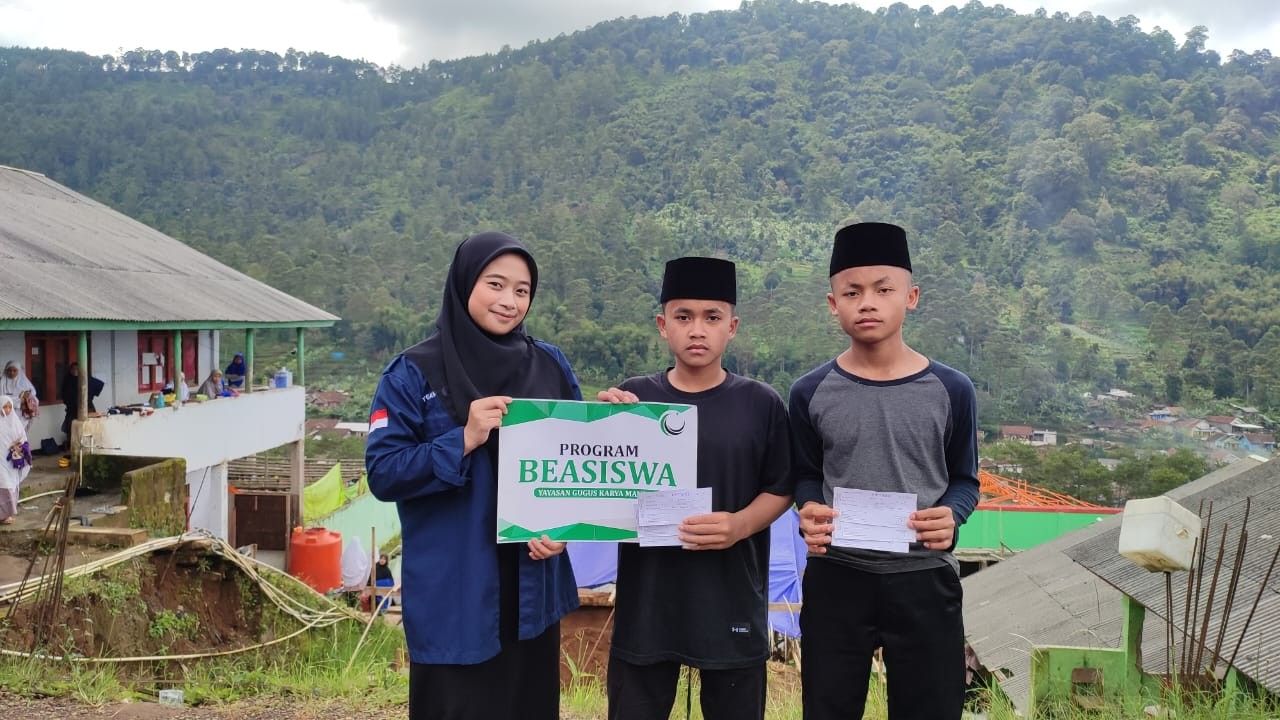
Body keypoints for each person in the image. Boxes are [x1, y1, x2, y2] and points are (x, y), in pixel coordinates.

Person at [365, 231, 580, 720]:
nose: (509, 301)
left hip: (531, 595)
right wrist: (462, 438)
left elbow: (573, 462)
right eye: (495, 285)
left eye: (522, 290)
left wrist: (563, 531)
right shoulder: (413, 373)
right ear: (464, 284)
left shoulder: (549, 365)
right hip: (456, 596)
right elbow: (383, 472)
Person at [789, 222, 979, 720]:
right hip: (837, 576)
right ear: (833, 304)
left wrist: (951, 515)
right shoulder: (809, 392)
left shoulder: (952, 389)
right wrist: (808, 507)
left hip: (924, 576)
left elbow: (965, 480)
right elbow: (805, 474)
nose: (867, 303)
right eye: (852, 292)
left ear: (911, 297)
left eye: (883, 289)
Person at [597, 257, 793, 720]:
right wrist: (599, 422)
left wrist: (739, 525)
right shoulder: (634, 398)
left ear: (732, 327)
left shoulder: (761, 403)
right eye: (683, 317)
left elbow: (782, 486)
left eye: (712, 317)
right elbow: (600, 480)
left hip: (731, 595)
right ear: (663, 325)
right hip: (648, 603)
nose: (697, 330)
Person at [0, 396, 31, 525]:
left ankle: (6, 514)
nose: (7, 409)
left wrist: (18, 447)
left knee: (11, 485)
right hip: (1, 460)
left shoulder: (15, 422)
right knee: (4, 484)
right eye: (4, 407)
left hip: (12, 459)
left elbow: (22, 438)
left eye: (9, 407)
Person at [60, 362, 104, 444]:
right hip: (72, 410)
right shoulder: (67, 380)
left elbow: (99, 384)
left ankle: (91, 445)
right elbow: (64, 395)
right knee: (73, 430)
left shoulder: (85, 379)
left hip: (87, 408)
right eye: (73, 369)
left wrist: (89, 395)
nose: (75, 371)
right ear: (70, 370)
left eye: (77, 369)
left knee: (89, 428)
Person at [1, 362, 38, 430]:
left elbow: (32, 393)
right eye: (9, 370)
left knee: (20, 433)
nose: (12, 373)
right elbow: (2, 399)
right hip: (6, 414)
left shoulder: (24, 382)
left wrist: (26, 397)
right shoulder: (2, 383)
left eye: (14, 370)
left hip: (22, 415)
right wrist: (19, 400)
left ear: (19, 371)